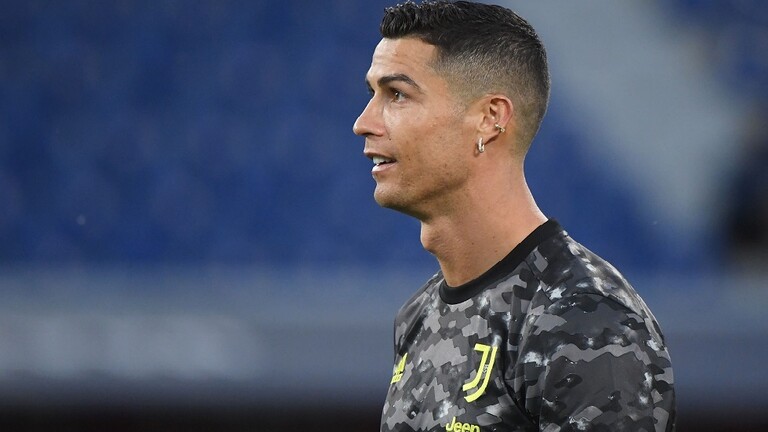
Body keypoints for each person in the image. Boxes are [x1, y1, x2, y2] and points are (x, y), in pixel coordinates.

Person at [352, 1, 675, 431]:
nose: (363, 122)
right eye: (372, 95)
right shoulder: (418, 315)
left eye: (397, 94)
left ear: (490, 119)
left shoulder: (587, 319)